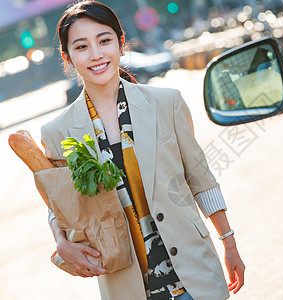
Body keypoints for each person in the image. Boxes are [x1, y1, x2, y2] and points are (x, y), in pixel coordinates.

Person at [41, 1, 245, 299]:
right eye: (82, 47)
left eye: (105, 41)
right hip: (125, 283)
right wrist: (60, 241)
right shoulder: (56, 132)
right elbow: (59, 206)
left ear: (121, 44)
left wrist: (229, 242)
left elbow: (201, 180)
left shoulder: (167, 102)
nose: (96, 55)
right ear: (67, 58)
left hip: (194, 274)